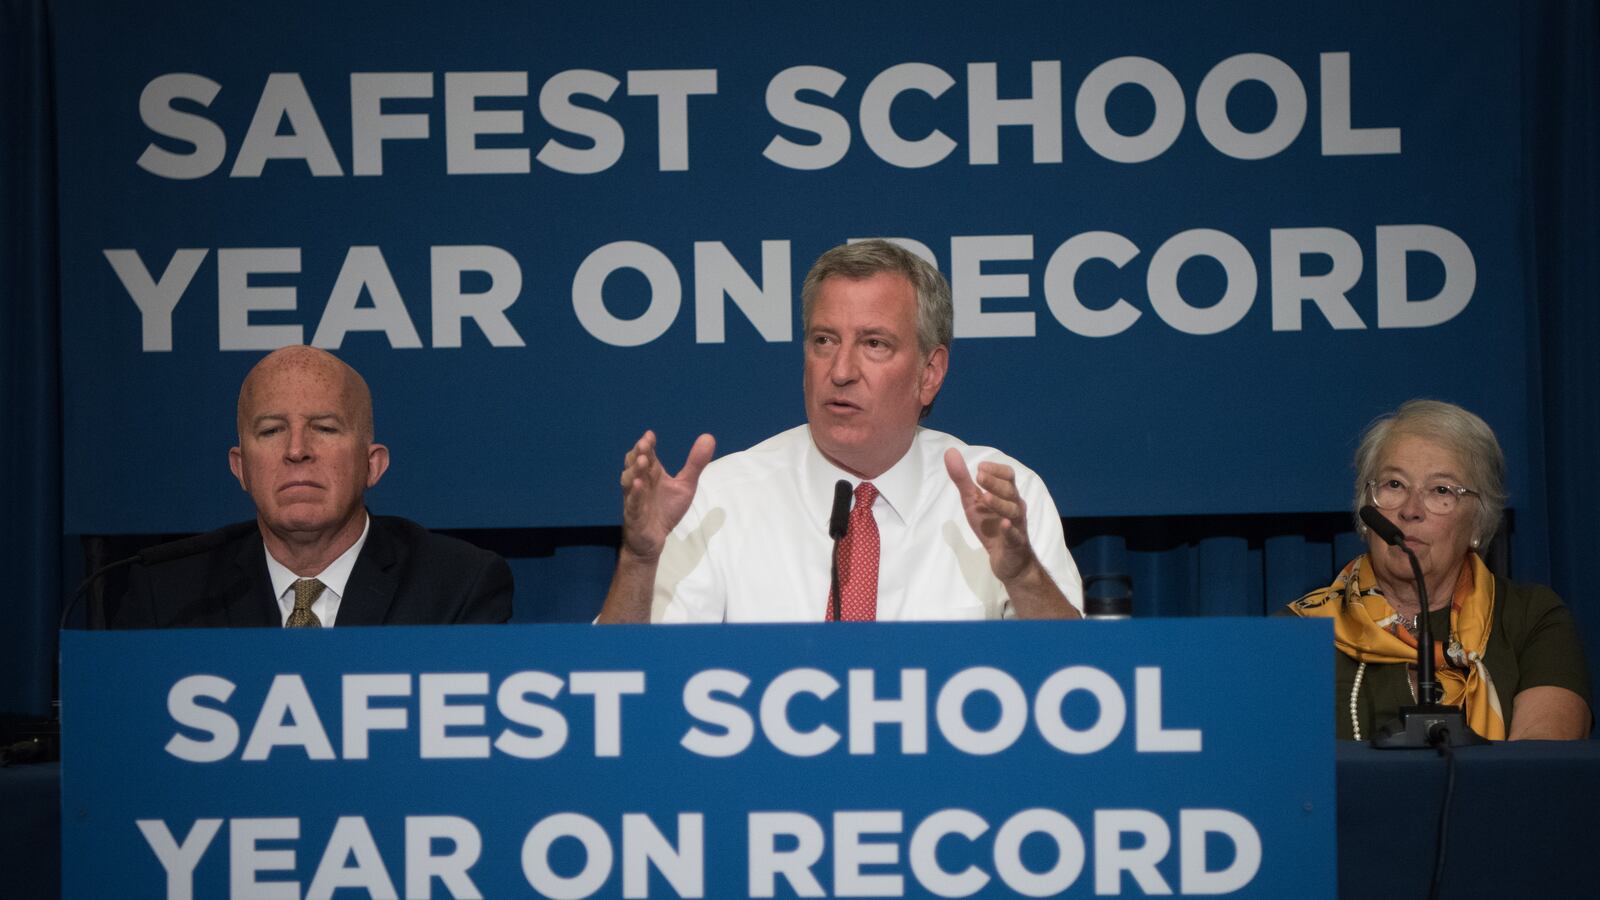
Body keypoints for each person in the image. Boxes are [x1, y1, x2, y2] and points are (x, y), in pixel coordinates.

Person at [597, 239, 1083, 623]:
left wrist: (1022, 576)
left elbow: (1080, 694)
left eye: (874, 344)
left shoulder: (1000, 498)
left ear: (930, 373)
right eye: (824, 340)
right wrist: (640, 560)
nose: (841, 370)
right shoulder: (721, 499)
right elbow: (614, 687)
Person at [112, 346, 513, 628]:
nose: (297, 450)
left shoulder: (457, 585)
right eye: (271, 430)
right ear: (241, 468)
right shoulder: (166, 595)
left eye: (324, 428)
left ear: (372, 466)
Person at [1286, 400, 1591, 740]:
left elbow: (1541, 773)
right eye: (1394, 485)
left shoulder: (1531, 618)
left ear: (1479, 522)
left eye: (1441, 490)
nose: (1410, 510)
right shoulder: (1293, 633)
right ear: (1365, 509)